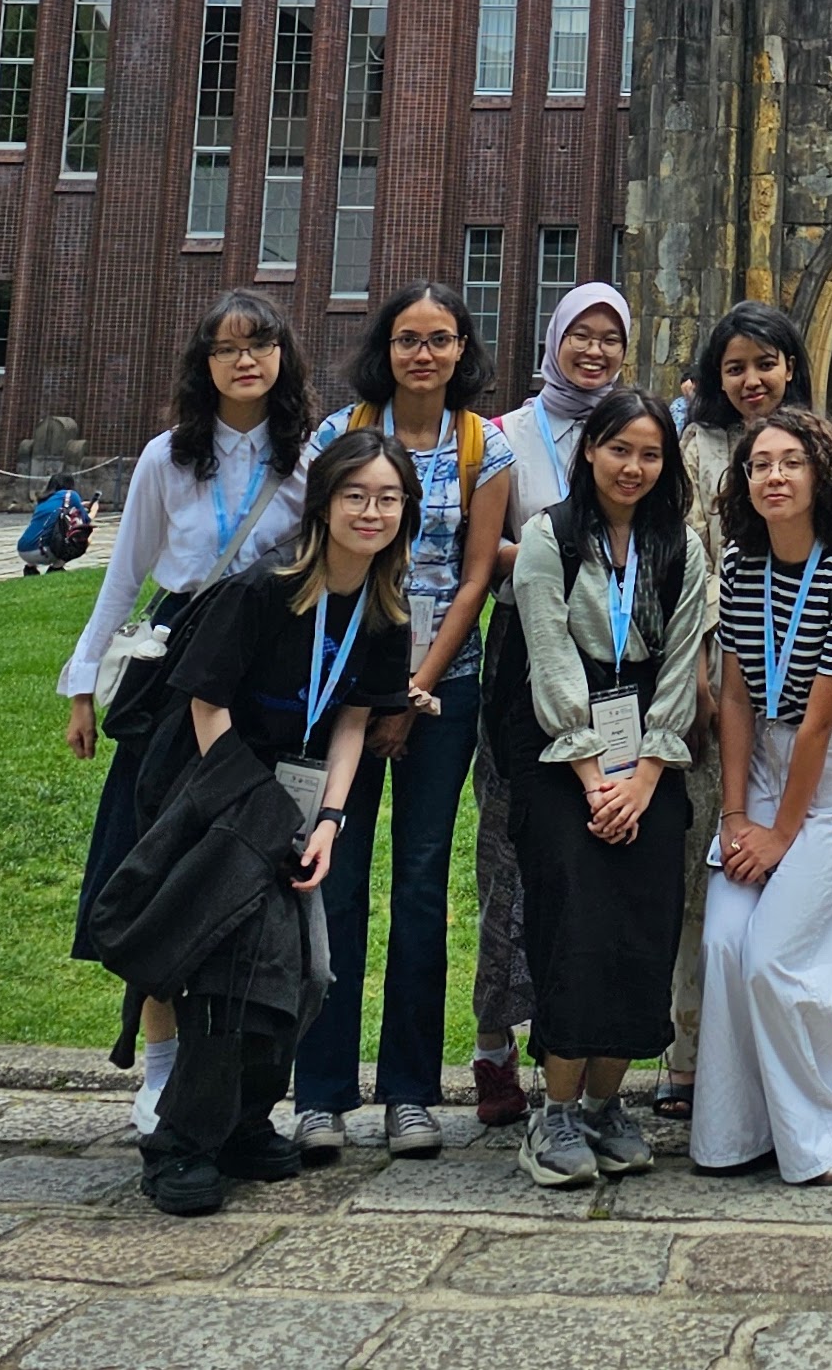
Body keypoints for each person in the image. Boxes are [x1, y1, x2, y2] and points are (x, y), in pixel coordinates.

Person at [126, 423, 423, 1214]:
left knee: (311, 973)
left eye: (388, 498)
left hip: (297, 804)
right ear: (323, 502)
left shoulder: (386, 609)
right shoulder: (263, 588)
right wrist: (249, 808)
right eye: (356, 495)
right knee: (234, 972)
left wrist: (329, 817)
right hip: (214, 792)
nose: (372, 511)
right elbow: (205, 701)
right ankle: (180, 1144)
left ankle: (245, 1120)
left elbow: (354, 719)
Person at [61, 289, 317, 1137]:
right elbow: (124, 573)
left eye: (261, 344)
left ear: (283, 355)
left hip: (264, 672)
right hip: (173, 671)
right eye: (226, 348)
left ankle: (238, 1078)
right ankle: (161, 1061)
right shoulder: (167, 458)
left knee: (244, 872)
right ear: (202, 363)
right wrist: (83, 682)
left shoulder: (308, 459)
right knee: (163, 860)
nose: (246, 360)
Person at [290, 282, 517, 1162]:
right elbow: (317, 551)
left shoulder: (482, 445)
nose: (424, 353)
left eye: (441, 339)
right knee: (332, 877)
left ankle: (412, 1093)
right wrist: (373, 694)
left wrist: (416, 688)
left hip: (442, 691)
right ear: (384, 346)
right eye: (407, 338)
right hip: (339, 688)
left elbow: (474, 577)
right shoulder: (337, 434)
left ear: (464, 349)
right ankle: (321, 1092)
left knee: (421, 886)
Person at [489, 380, 712, 1188]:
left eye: (651, 453)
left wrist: (647, 771)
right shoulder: (550, 537)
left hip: (651, 755)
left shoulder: (680, 547)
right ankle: (554, 1110)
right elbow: (547, 655)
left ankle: (606, 1105)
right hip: (560, 757)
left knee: (641, 926)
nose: (634, 466)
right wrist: (593, 776)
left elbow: (684, 663)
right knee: (573, 924)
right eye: (620, 448)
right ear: (590, 450)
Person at [696, 405, 832, 1185]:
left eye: (790, 462)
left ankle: (816, 1134)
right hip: (763, 767)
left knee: (776, 958)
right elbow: (738, 697)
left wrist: (779, 835)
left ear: (821, 476)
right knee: (723, 943)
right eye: (759, 464)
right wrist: (736, 815)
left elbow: (817, 724)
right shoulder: (743, 572)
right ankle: (734, 1131)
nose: (773, 476)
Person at [663, 300, 832, 1122]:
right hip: (713, 677)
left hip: (812, 683)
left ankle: (796, 1063)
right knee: (713, 864)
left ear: (792, 368)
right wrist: (700, 679)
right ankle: (692, 1053)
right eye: (736, 365)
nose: (752, 380)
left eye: (767, 363)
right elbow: (685, 563)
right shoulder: (694, 450)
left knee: (802, 873)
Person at [468, 277, 637, 1127]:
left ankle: (574, 1045)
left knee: (596, 862)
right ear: (555, 339)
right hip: (522, 660)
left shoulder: (640, 431)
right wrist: (548, 566)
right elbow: (481, 545)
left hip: (614, 665)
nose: (596, 349)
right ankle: (495, 1043)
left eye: (611, 336)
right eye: (583, 333)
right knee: (511, 853)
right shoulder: (507, 436)